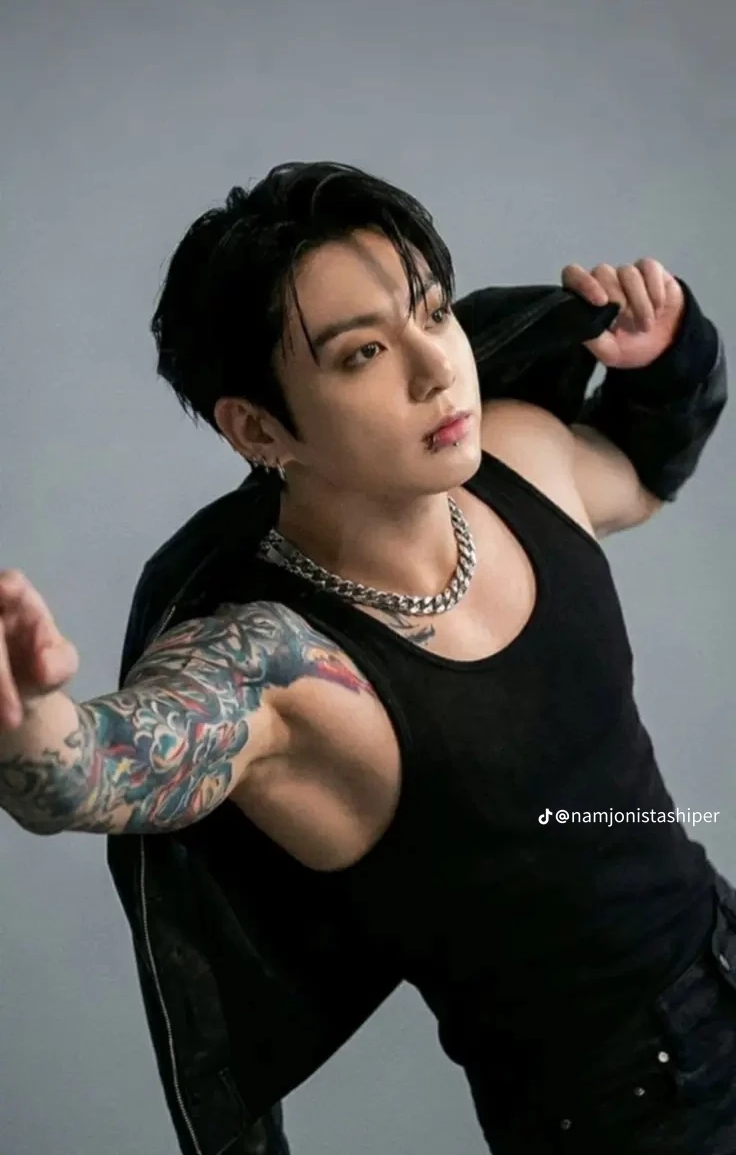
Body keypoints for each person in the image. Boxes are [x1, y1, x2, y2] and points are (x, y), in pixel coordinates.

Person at [0, 161, 730, 1154]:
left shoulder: (519, 454)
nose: (436, 370)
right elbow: (84, 775)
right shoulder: (277, 667)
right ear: (259, 427)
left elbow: (639, 475)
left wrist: (669, 360)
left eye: (433, 312)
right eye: (363, 354)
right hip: (632, 1115)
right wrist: (25, 713)